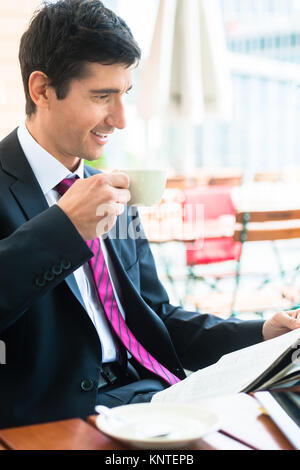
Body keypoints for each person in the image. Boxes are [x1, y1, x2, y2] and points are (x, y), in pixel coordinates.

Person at [0, 0, 299, 429]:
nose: (120, 119)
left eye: (125, 95)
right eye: (102, 96)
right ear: (42, 89)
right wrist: (64, 228)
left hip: (152, 400)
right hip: (54, 420)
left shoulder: (112, 190)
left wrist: (260, 332)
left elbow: (157, 319)